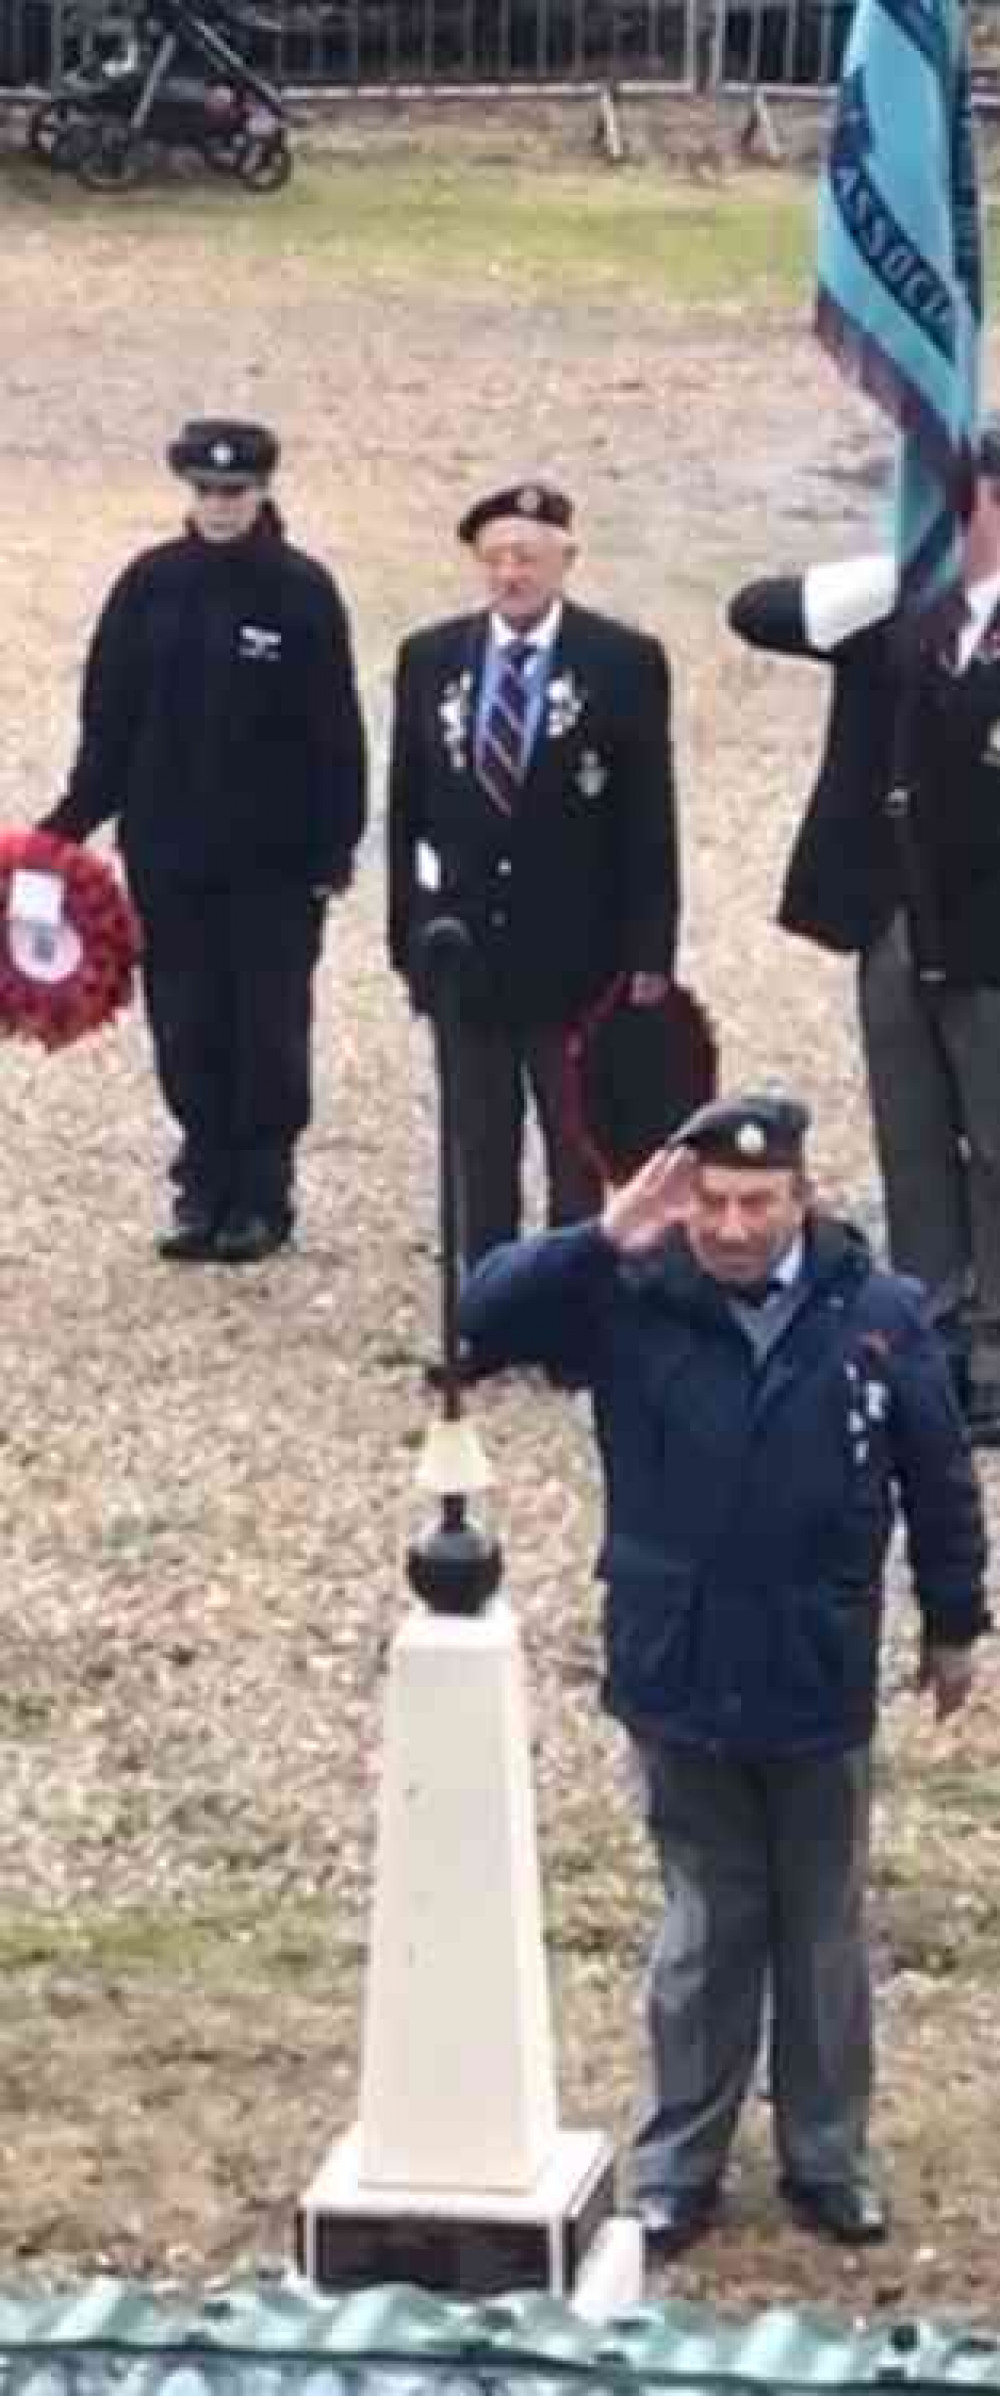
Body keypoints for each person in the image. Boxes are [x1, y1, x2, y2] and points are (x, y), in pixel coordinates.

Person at [457, 1092, 988, 2255]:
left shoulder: (879, 1315)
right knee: (705, 1924)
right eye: (713, 1201)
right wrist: (603, 1233)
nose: (734, 1226)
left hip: (814, 1672)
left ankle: (826, 2157)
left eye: (758, 1201)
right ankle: (678, 2164)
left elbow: (939, 1479)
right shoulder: (627, 1300)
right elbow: (478, 1315)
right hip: (679, 1665)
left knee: (820, 1929)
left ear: (802, 1197)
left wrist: (954, 1623)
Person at [729, 425, 1000, 1442]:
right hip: (893, 910)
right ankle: (926, 1323)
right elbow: (749, 611)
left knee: (995, 1138)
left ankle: (995, 1343)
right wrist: (869, 582)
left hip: (989, 924)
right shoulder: (901, 605)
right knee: (913, 1130)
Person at [42, 418, 367, 1264]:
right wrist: (69, 824)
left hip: (272, 865)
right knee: (186, 1023)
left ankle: (263, 1193)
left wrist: (335, 848)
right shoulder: (150, 585)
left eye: (235, 492)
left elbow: (336, 730)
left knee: (266, 1027)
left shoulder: (300, 591)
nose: (220, 507)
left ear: (261, 493)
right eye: (206, 492)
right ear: (188, 492)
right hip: (169, 855)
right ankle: (203, 1186)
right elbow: (108, 719)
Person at [387, 481, 678, 1268]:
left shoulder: (621, 661)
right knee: (476, 1142)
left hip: (579, 949)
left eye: (528, 557)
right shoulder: (431, 658)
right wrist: (406, 939)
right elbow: (407, 809)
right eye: (496, 559)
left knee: (576, 1144)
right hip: (465, 948)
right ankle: (483, 1306)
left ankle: (572, 1311)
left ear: (565, 560)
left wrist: (652, 954)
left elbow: (649, 819)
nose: (511, 575)